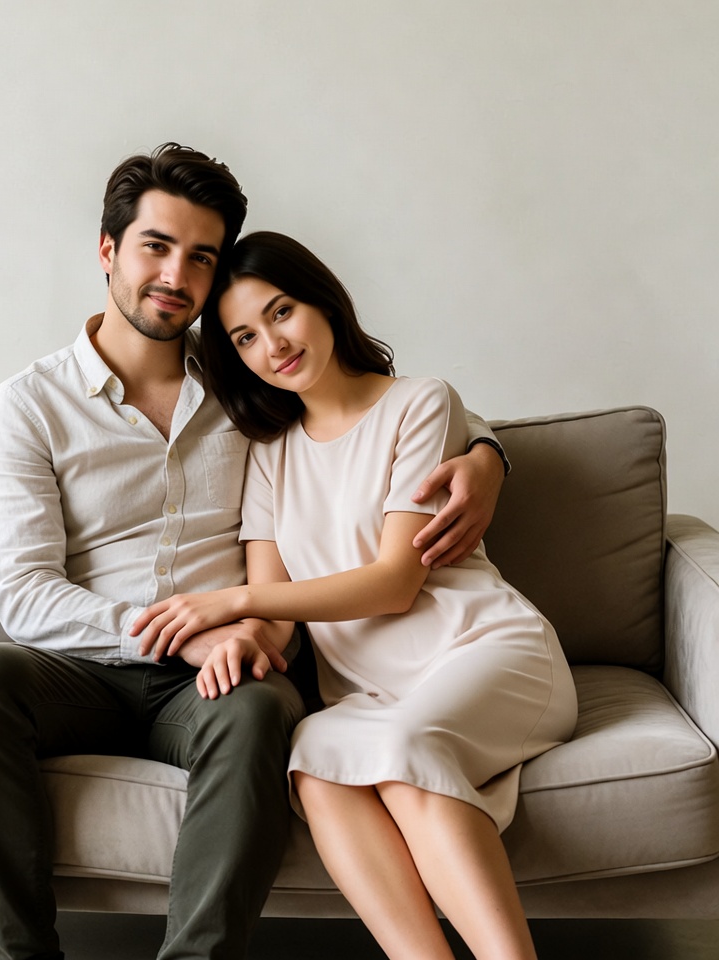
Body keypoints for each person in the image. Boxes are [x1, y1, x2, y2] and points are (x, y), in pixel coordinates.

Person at [0, 145, 509, 960]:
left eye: (200, 257)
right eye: (155, 247)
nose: (175, 275)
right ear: (108, 251)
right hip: (80, 665)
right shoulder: (27, 406)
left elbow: (377, 404)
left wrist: (487, 455)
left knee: (265, 709)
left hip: (221, 676)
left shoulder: (248, 385)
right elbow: (25, 595)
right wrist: (182, 631)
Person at [132, 232, 578, 960]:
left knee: (401, 749)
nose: (271, 345)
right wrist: (250, 634)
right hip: (369, 693)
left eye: (282, 313)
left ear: (326, 304)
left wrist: (226, 605)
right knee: (313, 755)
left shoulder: (420, 403)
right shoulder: (271, 454)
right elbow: (276, 608)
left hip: (485, 649)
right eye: (245, 336)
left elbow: (395, 582)